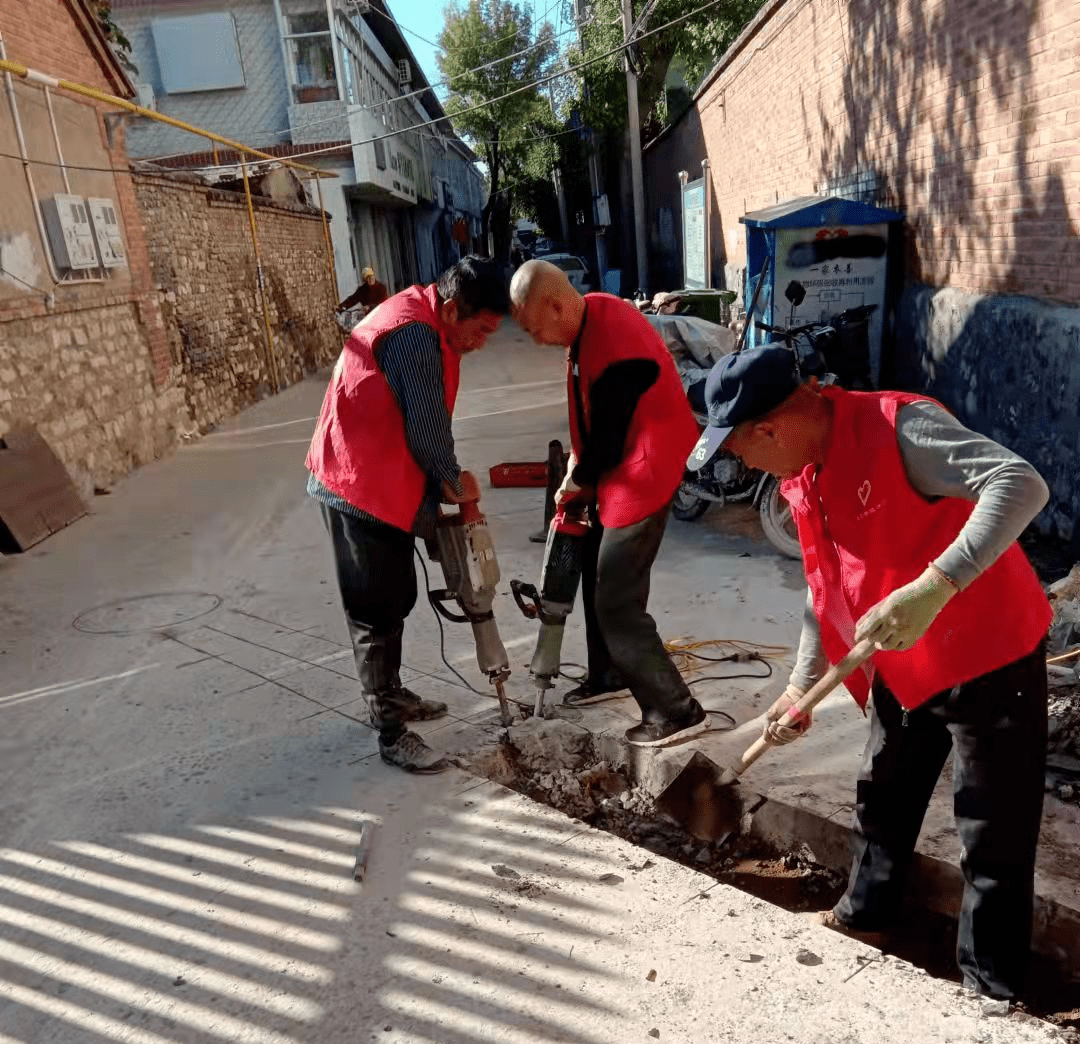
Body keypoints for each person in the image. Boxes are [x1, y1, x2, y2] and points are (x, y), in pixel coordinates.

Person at [693, 343, 1052, 1001]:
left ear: (767, 427)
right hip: (899, 658)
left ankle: (990, 987)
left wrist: (938, 583)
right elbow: (823, 587)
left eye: (737, 450)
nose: (739, 463)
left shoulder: (899, 428)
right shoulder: (801, 473)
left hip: (987, 651)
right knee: (882, 795)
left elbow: (1021, 483)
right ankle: (868, 919)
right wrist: (802, 687)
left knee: (991, 832)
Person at [307, 256, 509, 773]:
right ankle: (390, 730)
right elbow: (426, 428)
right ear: (449, 308)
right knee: (376, 606)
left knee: (396, 593)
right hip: (356, 483)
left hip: (377, 475)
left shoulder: (421, 316)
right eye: (480, 330)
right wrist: (453, 480)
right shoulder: (415, 336)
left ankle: (392, 693)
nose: (482, 343)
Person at [510, 259, 705, 747]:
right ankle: (609, 675)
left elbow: (611, 440)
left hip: (644, 468)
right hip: (621, 463)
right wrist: (577, 470)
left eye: (535, 330)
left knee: (616, 597)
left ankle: (674, 709)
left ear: (556, 305)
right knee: (595, 568)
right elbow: (591, 418)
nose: (534, 342)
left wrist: (578, 481)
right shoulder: (588, 317)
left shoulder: (615, 339)